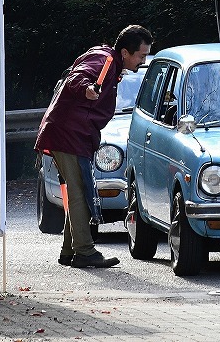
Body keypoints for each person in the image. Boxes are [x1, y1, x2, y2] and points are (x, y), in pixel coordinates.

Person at [35, 24, 153, 269]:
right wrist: (87, 89)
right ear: (125, 52)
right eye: (141, 55)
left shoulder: (110, 62)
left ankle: (70, 251)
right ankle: (85, 252)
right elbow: (76, 78)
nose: (143, 61)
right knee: (80, 193)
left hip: (73, 133)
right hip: (69, 134)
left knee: (78, 190)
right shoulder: (104, 60)